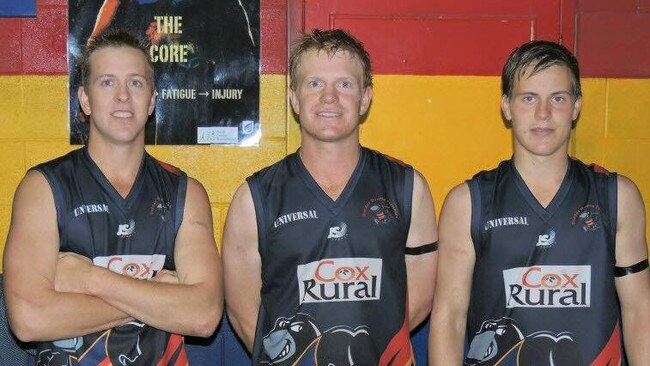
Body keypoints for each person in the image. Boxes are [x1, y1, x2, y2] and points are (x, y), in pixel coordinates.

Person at [2, 29, 223, 365]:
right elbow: (29, 319)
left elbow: (203, 316)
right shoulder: (43, 187)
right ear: (85, 99)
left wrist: (91, 279)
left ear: (151, 101)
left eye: (135, 83)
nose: (123, 96)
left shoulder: (185, 193)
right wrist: (159, 296)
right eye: (107, 82)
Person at [222, 28, 438, 365]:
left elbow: (421, 299)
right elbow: (241, 311)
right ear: (294, 97)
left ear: (365, 97)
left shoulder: (408, 186)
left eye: (345, 84)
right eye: (315, 84)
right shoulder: (254, 197)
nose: (329, 97)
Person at [429, 40, 650, 365]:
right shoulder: (468, 203)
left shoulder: (618, 196)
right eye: (528, 98)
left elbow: (638, 310)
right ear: (507, 106)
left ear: (576, 106)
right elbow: (449, 317)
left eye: (557, 98)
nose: (543, 113)